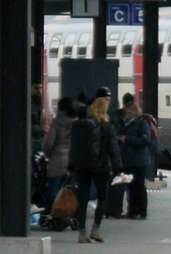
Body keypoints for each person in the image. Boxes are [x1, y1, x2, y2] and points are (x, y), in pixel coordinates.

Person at [67, 95, 122, 243]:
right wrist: (119, 169)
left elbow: (74, 148)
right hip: (101, 167)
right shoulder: (108, 128)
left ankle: (82, 233)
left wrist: (71, 166)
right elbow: (113, 150)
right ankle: (95, 230)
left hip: (82, 167)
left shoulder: (78, 126)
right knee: (102, 198)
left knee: (83, 198)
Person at [117, 98, 152, 219]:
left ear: (135, 113)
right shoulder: (122, 123)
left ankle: (142, 211)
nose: (127, 115)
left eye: (130, 113)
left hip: (139, 160)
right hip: (127, 159)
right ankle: (132, 211)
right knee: (130, 187)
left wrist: (127, 139)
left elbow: (145, 140)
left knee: (139, 186)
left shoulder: (142, 123)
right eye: (126, 113)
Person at [41, 97, 76, 220]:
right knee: (69, 190)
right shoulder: (76, 122)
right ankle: (68, 214)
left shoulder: (56, 122)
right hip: (71, 160)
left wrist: (47, 154)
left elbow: (50, 142)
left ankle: (55, 214)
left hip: (57, 160)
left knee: (53, 189)